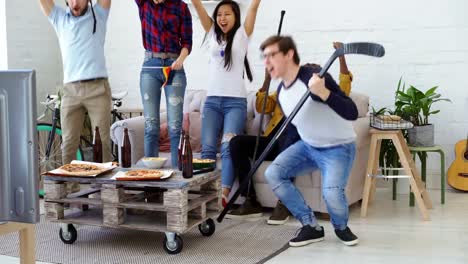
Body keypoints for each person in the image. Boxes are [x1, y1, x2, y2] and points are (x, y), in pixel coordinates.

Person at [226, 42, 354, 223]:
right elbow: (262, 106)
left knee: (292, 137)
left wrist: (341, 58)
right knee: (237, 142)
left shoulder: (323, 95)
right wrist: (268, 79)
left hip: (298, 144)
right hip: (273, 142)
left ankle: (284, 203)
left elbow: (345, 87)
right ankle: (250, 200)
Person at [260, 35, 359, 247]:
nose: (267, 62)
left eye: (272, 55)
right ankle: (311, 226)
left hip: (338, 147)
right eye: (264, 57)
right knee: (274, 172)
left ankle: (341, 227)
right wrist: (284, 154)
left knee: (331, 194)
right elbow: (299, 126)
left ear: (289, 55)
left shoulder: (314, 77)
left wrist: (323, 92)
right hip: (308, 146)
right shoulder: (281, 93)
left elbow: (351, 111)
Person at [191, 0, 261, 206]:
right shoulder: (212, 32)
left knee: (228, 147)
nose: (222, 18)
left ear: (236, 17)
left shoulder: (242, 35)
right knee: (208, 150)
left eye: (227, 14)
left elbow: (254, 7)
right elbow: (199, 7)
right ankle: (207, 194)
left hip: (235, 103)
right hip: (211, 102)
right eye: (219, 14)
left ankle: (223, 194)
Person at [39, 0, 113, 167]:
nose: (74, 3)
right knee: (68, 144)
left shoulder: (99, 14)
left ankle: (105, 190)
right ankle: (70, 190)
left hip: (98, 89)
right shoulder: (59, 18)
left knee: (103, 144)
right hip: (70, 91)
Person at [135, 0, 193, 167]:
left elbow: (187, 43)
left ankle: (176, 176)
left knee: (175, 127)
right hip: (150, 66)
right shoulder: (144, 3)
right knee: (151, 126)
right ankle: (150, 177)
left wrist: (180, 60)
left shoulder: (181, 7)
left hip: (175, 67)